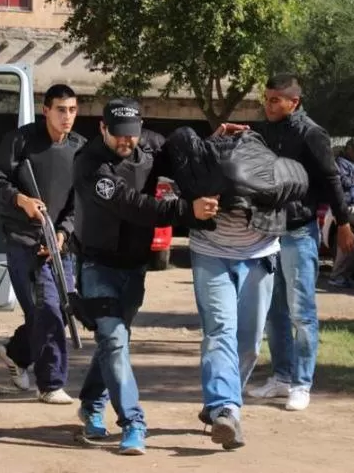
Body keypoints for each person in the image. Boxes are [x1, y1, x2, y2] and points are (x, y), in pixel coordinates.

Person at [72, 98, 219, 455]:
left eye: (132, 136)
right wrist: (187, 212)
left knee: (113, 340)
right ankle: (133, 422)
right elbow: (131, 205)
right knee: (114, 339)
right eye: (119, 136)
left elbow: (184, 161)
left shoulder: (150, 144)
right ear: (103, 128)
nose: (126, 143)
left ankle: (91, 402)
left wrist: (215, 143)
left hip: (135, 265)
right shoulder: (89, 164)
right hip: (97, 264)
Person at [160, 125, 309, 450]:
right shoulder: (200, 170)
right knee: (220, 332)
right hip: (211, 255)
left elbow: (300, 184)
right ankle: (226, 407)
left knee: (250, 343)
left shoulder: (266, 173)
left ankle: (220, 399)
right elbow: (176, 150)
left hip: (259, 256)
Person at [247, 74, 354, 411]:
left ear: (294, 102)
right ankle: (281, 378)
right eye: (266, 98)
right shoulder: (264, 130)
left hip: (298, 232)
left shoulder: (311, 133)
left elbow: (331, 179)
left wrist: (344, 223)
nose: (269, 105)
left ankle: (301, 384)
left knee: (301, 312)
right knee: (273, 310)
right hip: (268, 233)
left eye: (276, 100)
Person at [0, 84, 85, 405]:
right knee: (48, 309)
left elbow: (80, 202)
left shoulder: (80, 149)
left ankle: (16, 353)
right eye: (61, 110)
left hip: (60, 246)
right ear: (46, 110)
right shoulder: (21, 142)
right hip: (24, 243)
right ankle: (51, 383)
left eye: (72, 110)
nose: (67, 117)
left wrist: (63, 234)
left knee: (58, 312)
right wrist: (19, 199)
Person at [328, 138, 354, 288]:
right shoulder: (340, 163)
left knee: (352, 243)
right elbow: (344, 183)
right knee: (346, 244)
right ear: (349, 150)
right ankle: (337, 275)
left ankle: (345, 275)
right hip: (347, 206)